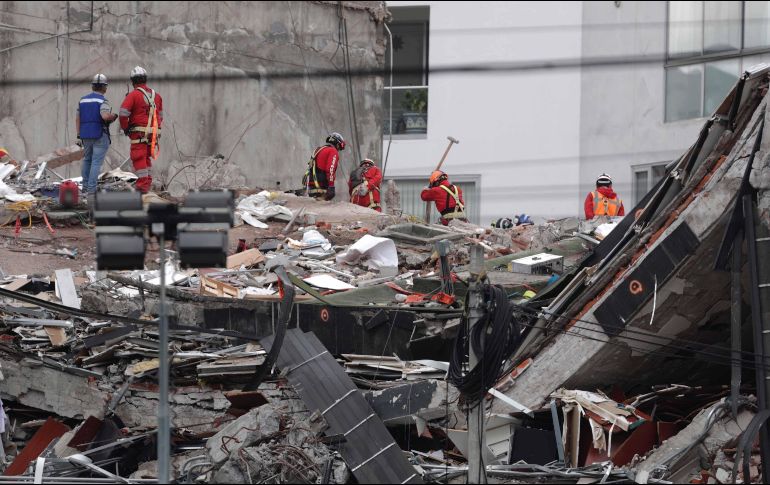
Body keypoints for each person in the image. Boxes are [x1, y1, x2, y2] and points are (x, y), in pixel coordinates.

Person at [119, 66, 163, 194]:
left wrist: (125, 128)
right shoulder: (157, 96)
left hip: (138, 133)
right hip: (153, 134)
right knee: (146, 158)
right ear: (145, 79)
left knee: (138, 157)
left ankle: (142, 187)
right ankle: (147, 183)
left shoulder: (133, 95)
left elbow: (123, 114)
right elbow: (160, 117)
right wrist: (155, 130)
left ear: (133, 81)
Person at [76, 73, 118, 201]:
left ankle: (84, 187)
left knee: (87, 160)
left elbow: (77, 118)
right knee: (96, 162)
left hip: (85, 135)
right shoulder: (103, 101)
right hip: (100, 134)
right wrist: (114, 116)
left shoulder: (82, 100)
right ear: (104, 88)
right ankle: (91, 191)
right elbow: (105, 116)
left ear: (93, 86)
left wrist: (78, 134)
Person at [304, 132, 345, 201]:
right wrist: (331, 186)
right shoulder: (332, 151)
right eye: (339, 148)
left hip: (312, 188)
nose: (338, 150)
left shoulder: (318, 150)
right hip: (321, 189)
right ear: (337, 144)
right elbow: (330, 169)